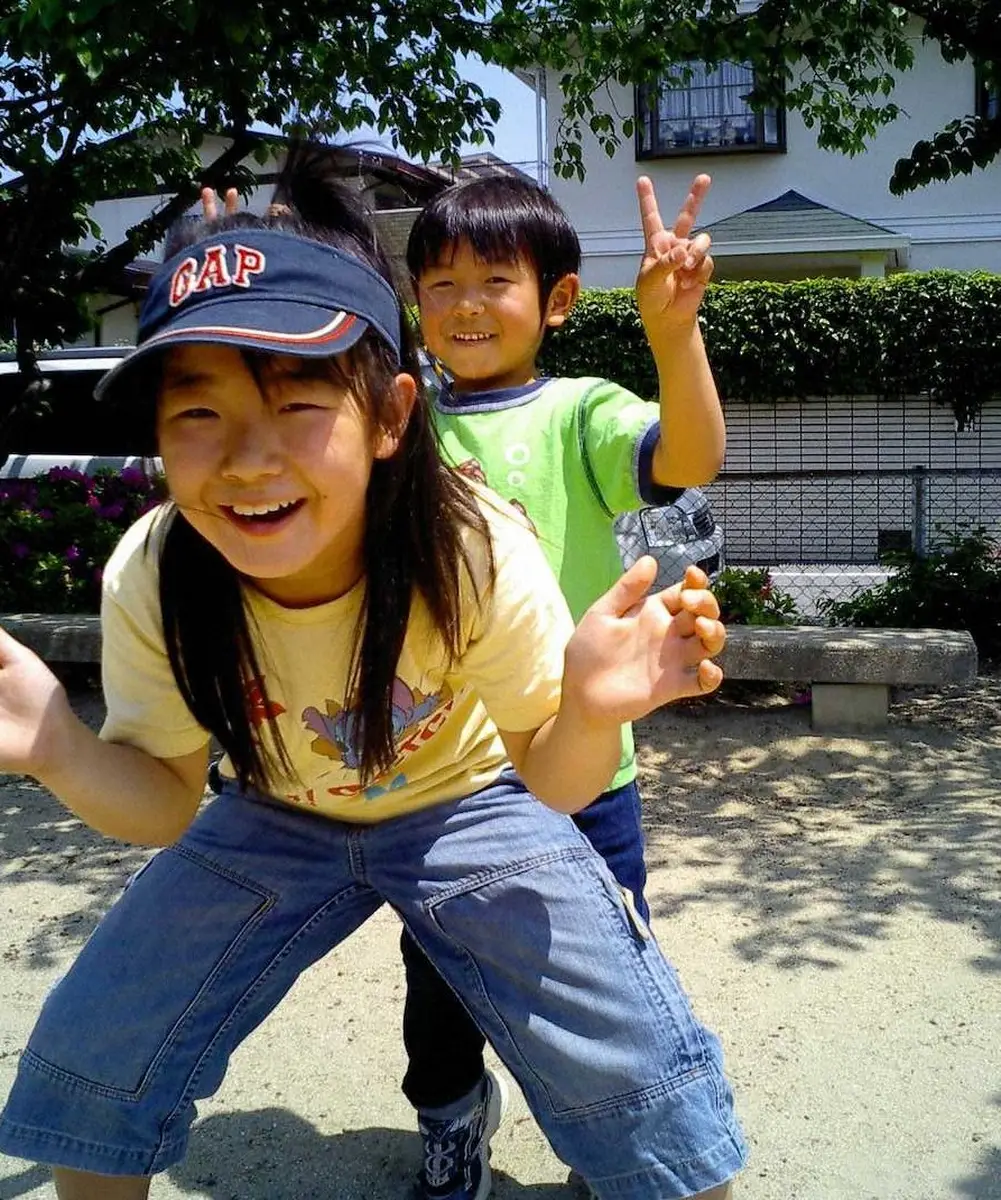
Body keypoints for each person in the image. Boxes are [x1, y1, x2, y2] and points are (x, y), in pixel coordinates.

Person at [0, 153, 745, 1200]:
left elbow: (549, 784)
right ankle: (446, 1119)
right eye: (197, 414)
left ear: (391, 415)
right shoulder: (159, 570)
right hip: (274, 812)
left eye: (297, 400)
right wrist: (59, 750)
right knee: (94, 1059)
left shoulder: (467, 544)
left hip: (466, 802)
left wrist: (584, 708)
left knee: (644, 1082)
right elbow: (167, 803)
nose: (248, 459)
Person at [390, 170, 726, 1197]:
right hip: (444, 778)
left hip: (587, 771)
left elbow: (689, 454)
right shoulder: (399, 426)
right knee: (440, 979)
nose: (463, 304)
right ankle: (450, 1122)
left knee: (601, 982)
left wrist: (673, 337)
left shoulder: (579, 409)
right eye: (438, 284)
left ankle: (613, 1137)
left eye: (494, 279)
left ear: (558, 301)